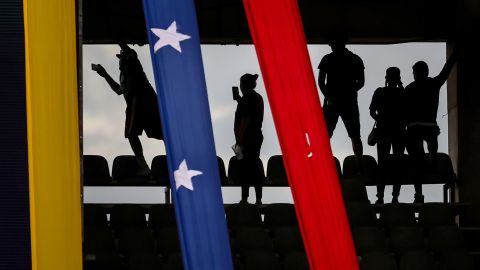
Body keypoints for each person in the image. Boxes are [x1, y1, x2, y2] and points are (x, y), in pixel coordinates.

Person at [92, 43, 163, 176]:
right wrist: (105, 74)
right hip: (142, 104)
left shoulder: (135, 67)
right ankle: (145, 166)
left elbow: (129, 51)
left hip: (142, 101)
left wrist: (119, 40)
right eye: (120, 58)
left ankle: (148, 166)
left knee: (134, 133)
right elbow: (119, 90)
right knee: (154, 134)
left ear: (128, 58)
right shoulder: (124, 76)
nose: (120, 60)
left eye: (122, 57)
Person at [404, 49, 457, 203]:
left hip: (414, 127)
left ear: (416, 73)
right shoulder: (433, 83)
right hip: (429, 126)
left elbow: (404, 111)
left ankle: (419, 194)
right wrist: (454, 55)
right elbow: (446, 71)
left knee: (416, 163)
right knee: (430, 152)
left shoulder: (409, 88)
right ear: (426, 72)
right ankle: (432, 163)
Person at [318, 35, 365, 165]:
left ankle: (323, 162)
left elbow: (321, 82)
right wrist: (349, 91)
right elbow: (361, 82)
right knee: (355, 135)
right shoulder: (355, 59)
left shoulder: (327, 59)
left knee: (325, 135)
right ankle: (359, 166)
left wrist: (329, 96)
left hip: (331, 102)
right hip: (349, 101)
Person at [369, 67, 406, 204]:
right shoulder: (402, 93)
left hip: (384, 131)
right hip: (399, 132)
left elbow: (372, 111)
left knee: (382, 165)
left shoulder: (380, 92)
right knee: (398, 164)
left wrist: (379, 119)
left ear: (386, 78)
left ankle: (380, 197)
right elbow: (407, 109)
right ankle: (395, 196)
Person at [233, 74, 264, 205]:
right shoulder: (257, 97)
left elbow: (246, 118)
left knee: (245, 168)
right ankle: (258, 199)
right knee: (254, 166)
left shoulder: (248, 97)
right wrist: (239, 100)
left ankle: (245, 198)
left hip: (247, 138)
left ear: (243, 85)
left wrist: (239, 140)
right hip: (256, 136)